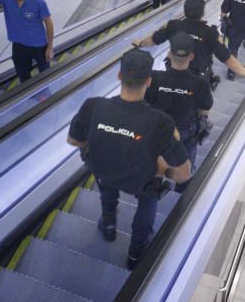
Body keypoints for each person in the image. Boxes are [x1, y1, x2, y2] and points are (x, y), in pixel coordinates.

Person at [67, 49, 190, 269]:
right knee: (148, 201)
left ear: (119, 76)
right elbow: (183, 174)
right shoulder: (161, 123)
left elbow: (73, 140)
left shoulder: (93, 106)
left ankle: (109, 226)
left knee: (108, 189)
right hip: (142, 180)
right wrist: (163, 171)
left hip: (104, 171)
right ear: (149, 81)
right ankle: (135, 253)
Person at [134, 0, 245, 86]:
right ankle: (203, 120)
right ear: (202, 14)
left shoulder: (174, 26)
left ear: (185, 11)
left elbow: (153, 40)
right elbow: (229, 60)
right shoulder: (210, 33)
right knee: (203, 101)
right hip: (198, 79)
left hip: (173, 72)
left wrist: (140, 43)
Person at [145, 32, 213, 189]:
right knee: (187, 160)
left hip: (158, 133)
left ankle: (155, 181)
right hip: (186, 133)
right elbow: (205, 110)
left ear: (169, 54)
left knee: (155, 157)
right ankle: (183, 186)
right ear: (191, 57)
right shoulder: (200, 84)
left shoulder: (153, 78)